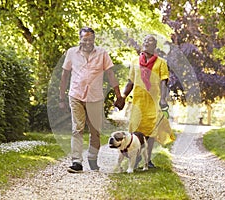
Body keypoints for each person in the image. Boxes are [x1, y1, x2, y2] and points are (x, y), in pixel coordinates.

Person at [59, 27, 123, 173]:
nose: (88, 42)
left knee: (95, 131)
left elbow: (111, 74)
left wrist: (119, 95)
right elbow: (64, 76)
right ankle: (76, 162)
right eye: (85, 39)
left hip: (95, 97)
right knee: (77, 128)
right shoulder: (71, 53)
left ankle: (92, 159)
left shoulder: (102, 53)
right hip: (76, 95)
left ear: (94, 39)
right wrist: (61, 98)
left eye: (90, 39)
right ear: (80, 39)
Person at [120, 34, 176, 168]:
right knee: (135, 128)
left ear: (154, 46)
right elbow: (130, 82)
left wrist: (163, 99)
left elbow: (164, 82)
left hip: (154, 101)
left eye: (149, 40)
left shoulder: (161, 62)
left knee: (151, 131)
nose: (146, 42)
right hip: (138, 101)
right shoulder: (134, 62)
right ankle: (136, 156)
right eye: (144, 40)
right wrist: (123, 96)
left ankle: (147, 160)